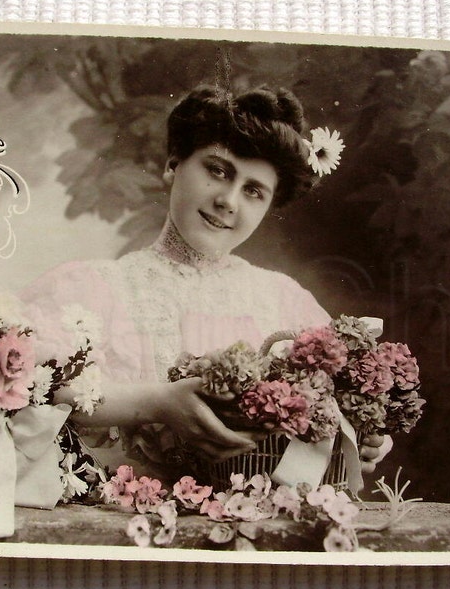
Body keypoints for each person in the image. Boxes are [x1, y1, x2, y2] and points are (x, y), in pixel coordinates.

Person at [20, 84, 388, 485]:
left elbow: (325, 437)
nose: (228, 200)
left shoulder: (286, 304)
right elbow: (23, 395)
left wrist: (358, 440)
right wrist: (155, 403)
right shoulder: (89, 290)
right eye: (217, 170)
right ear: (173, 165)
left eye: (253, 191)